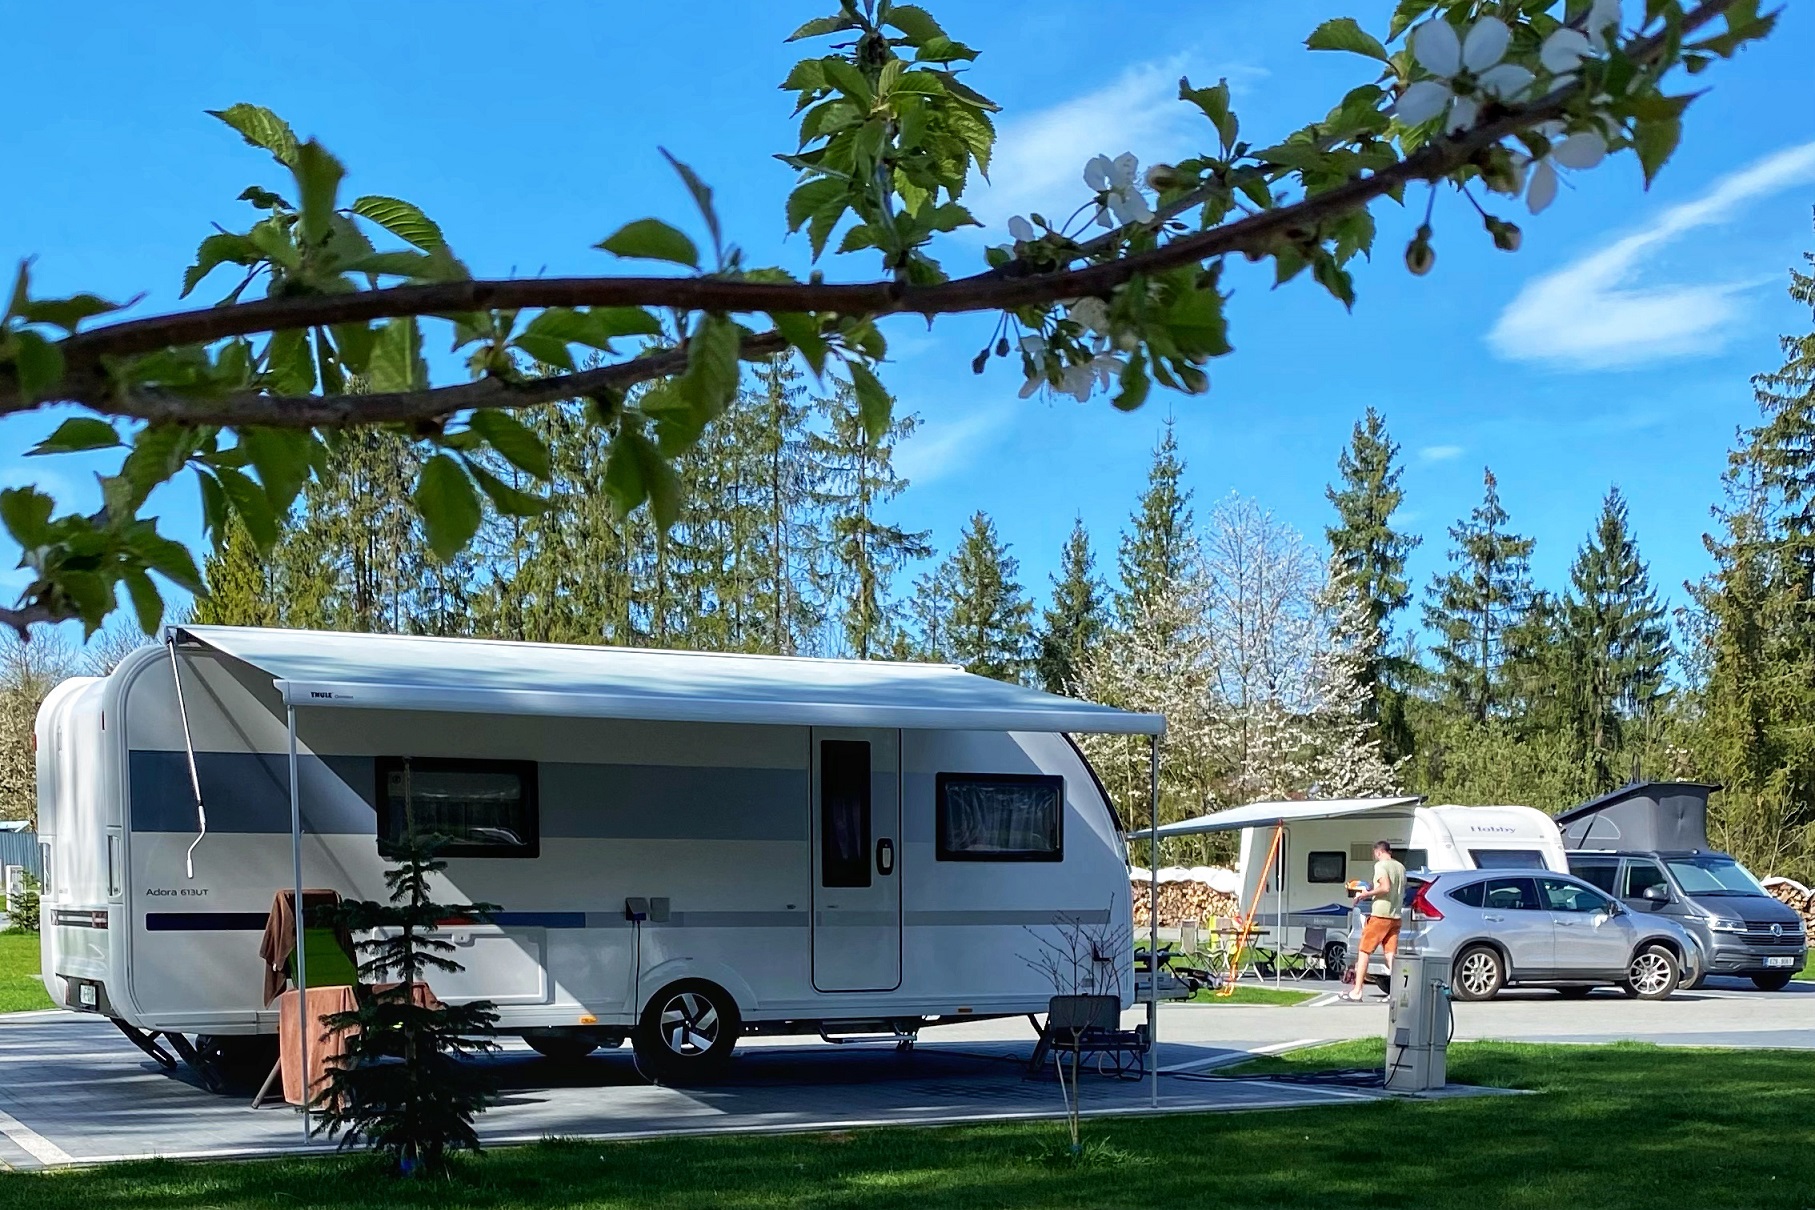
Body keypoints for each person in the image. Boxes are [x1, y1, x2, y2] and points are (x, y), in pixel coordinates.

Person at [1343, 840, 1406, 1002]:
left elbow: (1385, 887)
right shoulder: (1400, 867)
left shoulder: (1381, 866)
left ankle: (1357, 991)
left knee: (1364, 951)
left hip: (1380, 915)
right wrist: (1370, 887)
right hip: (1395, 916)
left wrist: (1364, 895)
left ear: (1378, 852)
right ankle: (1398, 992)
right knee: (1390, 954)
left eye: (1375, 855)